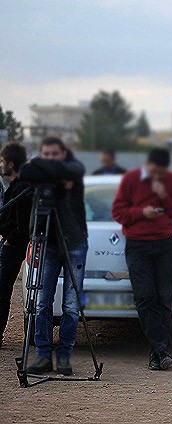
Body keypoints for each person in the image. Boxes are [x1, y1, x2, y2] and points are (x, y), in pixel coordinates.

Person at [112, 148, 172, 371]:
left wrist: (164, 195)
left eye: (161, 172)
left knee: (165, 298)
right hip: (137, 245)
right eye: (154, 171)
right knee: (145, 297)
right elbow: (118, 212)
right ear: (147, 164)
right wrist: (141, 213)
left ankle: (158, 352)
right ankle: (161, 348)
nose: (157, 176)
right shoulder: (130, 179)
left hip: (165, 244)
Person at [27, 137, 88, 376]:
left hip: (73, 243)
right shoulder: (48, 172)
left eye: (55, 154)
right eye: (46, 154)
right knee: (42, 302)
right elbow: (24, 170)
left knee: (71, 305)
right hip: (47, 242)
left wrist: (47, 172)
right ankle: (42, 355)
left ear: (64, 153)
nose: (50, 158)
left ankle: (64, 356)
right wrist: (54, 177)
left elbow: (73, 170)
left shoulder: (76, 169)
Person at [0, 142, 31, 348]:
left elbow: (22, 225)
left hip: (13, 248)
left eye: (2, 161)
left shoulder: (21, 187)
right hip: (8, 244)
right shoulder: (14, 185)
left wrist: (10, 240)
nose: (0, 165)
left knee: (2, 292)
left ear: (11, 164)